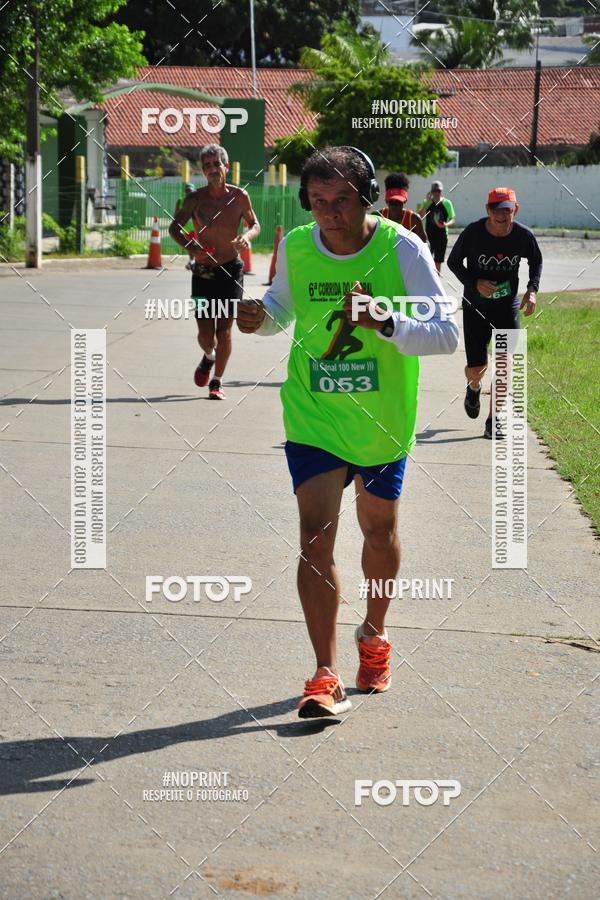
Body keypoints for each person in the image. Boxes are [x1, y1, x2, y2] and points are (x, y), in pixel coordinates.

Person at [237, 146, 458, 719]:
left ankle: (375, 634)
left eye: (340, 202)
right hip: (313, 414)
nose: (329, 214)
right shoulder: (297, 246)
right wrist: (262, 318)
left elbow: (444, 334)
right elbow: (285, 308)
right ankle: (324, 674)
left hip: (381, 418)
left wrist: (385, 321)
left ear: (367, 199)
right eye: (317, 203)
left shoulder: (401, 248)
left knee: (378, 531)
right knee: (315, 535)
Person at [447, 187, 542, 439]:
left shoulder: (523, 236)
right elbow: (453, 263)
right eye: (496, 209)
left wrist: (531, 290)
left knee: (505, 362)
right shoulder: (473, 233)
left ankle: (495, 419)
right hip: (475, 307)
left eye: (507, 209)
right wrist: (474, 282)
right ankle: (474, 387)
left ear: (515, 209)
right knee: (477, 367)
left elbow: (536, 261)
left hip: (507, 306)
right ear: (488, 210)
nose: (501, 215)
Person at [169, 145, 260, 399]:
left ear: (226, 167)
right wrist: (192, 248)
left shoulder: (239, 197)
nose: (212, 170)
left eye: (216, 164)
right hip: (203, 274)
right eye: (207, 166)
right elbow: (174, 228)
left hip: (231, 270)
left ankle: (217, 382)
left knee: (225, 331)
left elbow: (255, 223)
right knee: (206, 334)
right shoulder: (195, 200)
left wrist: (247, 236)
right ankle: (208, 357)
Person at [417, 180, 455, 273]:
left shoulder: (447, 203)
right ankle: (427, 280)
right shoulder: (426, 202)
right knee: (426, 259)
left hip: (442, 235)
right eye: (434, 191)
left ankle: (436, 280)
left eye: (438, 191)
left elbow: (452, 219)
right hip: (428, 235)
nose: (436, 193)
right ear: (431, 192)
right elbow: (419, 216)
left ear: (441, 191)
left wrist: (446, 224)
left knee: (438, 260)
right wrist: (427, 202)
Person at [381, 172, 427, 243]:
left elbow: (424, 245)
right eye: (391, 201)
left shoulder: (414, 219)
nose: (394, 205)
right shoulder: (379, 216)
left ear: (405, 201)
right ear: (386, 200)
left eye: (398, 201)